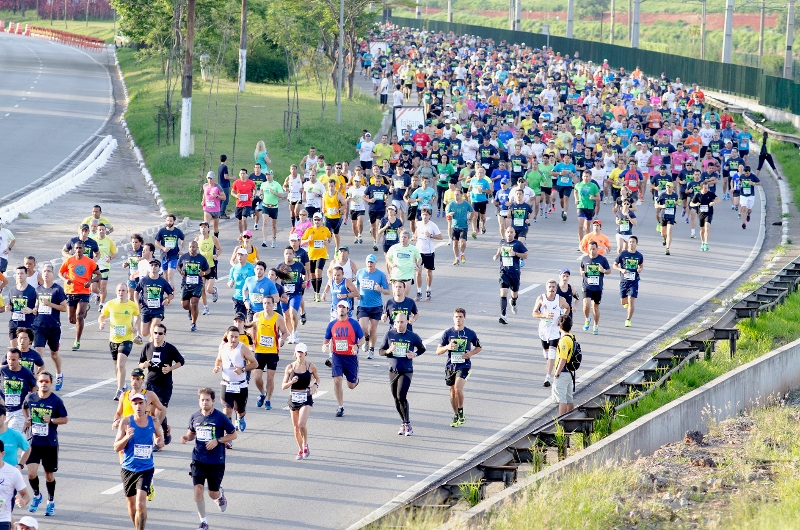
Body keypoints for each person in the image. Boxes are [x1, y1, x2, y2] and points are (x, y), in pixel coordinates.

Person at [181, 388, 237, 530]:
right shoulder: (195, 416)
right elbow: (192, 433)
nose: (204, 402)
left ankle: (219, 496)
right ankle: (204, 522)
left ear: (213, 401)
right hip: (198, 459)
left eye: (207, 400)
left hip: (216, 460)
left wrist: (217, 440)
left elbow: (233, 435)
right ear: (199, 401)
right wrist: (187, 437)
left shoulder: (220, 417)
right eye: (202, 400)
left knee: (212, 493)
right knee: (198, 489)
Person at [114, 392, 164, 530]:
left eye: (141, 403)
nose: (138, 406)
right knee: (131, 506)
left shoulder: (153, 421)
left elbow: (160, 439)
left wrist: (160, 441)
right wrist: (126, 437)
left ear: (147, 404)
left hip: (146, 468)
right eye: (135, 403)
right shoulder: (126, 422)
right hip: (128, 468)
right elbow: (116, 447)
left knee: (140, 504)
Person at [23, 371, 68, 517]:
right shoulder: (31, 397)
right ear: (37, 382)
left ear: (51, 383)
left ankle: (50, 501)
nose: (43, 384)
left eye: (46, 381)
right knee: (31, 474)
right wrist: (27, 419)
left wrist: (52, 420)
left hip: (49, 443)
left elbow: (65, 419)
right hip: (33, 442)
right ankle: (37, 496)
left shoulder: (56, 401)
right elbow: (24, 407)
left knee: (49, 475)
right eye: (41, 381)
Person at [379, 313, 425, 436]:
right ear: (395, 323)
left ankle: (407, 424)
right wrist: (388, 351)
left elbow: (422, 348)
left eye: (402, 322)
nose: (400, 325)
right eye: (398, 322)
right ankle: (403, 422)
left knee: (401, 396)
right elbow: (381, 351)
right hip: (393, 371)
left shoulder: (412, 336)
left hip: (407, 370)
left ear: (406, 323)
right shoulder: (389, 334)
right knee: (395, 398)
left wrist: (414, 354)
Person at [138, 323, 184, 445]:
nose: (157, 336)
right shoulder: (147, 347)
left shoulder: (169, 348)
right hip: (151, 384)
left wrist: (170, 368)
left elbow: (181, 361)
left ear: (164, 335)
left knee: (160, 411)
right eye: (155, 333)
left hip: (165, 385)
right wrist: (144, 365)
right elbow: (140, 363)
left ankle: (156, 438)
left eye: (160, 333)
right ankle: (165, 430)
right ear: (152, 333)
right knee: (152, 413)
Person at [436, 307, 481, 428]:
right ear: (453, 318)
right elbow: (438, 350)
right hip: (450, 366)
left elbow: (479, 347)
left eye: (460, 317)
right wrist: (447, 347)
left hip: (464, 365)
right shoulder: (448, 333)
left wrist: (470, 354)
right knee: (452, 392)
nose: (458, 319)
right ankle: (456, 414)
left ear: (464, 318)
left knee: (457, 389)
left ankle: (461, 411)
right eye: (456, 317)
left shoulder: (470, 333)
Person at [323, 301, 364, 417]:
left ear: (348, 310)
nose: (341, 309)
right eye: (339, 307)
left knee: (351, 386)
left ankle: (355, 381)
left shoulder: (354, 324)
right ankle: (340, 407)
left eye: (343, 307)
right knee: (337, 380)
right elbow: (326, 339)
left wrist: (357, 345)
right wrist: (324, 345)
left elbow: (362, 339)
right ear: (336, 309)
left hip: (351, 357)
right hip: (337, 356)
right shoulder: (332, 324)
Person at [100, 284, 140, 401]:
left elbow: (137, 317)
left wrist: (136, 326)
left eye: (123, 290)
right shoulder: (110, 304)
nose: (121, 292)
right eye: (119, 290)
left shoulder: (131, 305)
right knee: (116, 367)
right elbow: (102, 316)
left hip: (127, 339)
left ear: (127, 292)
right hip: (113, 339)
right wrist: (101, 322)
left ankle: (119, 390)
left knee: (120, 364)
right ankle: (122, 385)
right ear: (116, 291)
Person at [58, 240, 100, 351]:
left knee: (79, 316)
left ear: (84, 249)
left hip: (84, 291)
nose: (78, 250)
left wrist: (91, 281)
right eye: (76, 248)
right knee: (72, 320)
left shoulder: (90, 262)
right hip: (71, 291)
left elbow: (99, 275)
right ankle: (85, 309)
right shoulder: (69, 261)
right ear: (73, 249)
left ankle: (77, 341)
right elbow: (60, 273)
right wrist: (65, 280)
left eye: (80, 248)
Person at [281, 343, 320, 460]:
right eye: (298, 352)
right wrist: (291, 382)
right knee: (295, 427)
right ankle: (299, 449)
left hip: (306, 397)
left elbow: (317, 378)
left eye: (302, 352)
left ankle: (305, 445)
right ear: (295, 353)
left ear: (305, 353)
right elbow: (283, 386)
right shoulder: (289, 367)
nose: (300, 354)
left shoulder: (311, 366)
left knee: (301, 424)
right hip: (293, 397)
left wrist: (315, 386)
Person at [214, 327, 257, 433]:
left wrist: (242, 369)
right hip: (226, 384)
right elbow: (219, 360)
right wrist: (217, 367)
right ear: (227, 336)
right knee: (227, 410)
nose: (233, 339)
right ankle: (229, 435)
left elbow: (255, 363)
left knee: (240, 411)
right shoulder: (223, 347)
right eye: (231, 337)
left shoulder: (243, 349)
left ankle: (240, 418)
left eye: (236, 337)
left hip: (240, 385)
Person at [532, 280, 570, 387]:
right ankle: (549, 363)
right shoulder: (541, 298)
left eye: (553, 287)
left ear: (556, 289)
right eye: (549, 287)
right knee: (547, 354)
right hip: (544, 329)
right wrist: (544, 315)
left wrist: (563, 318)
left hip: (554, 329)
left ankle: (548, 377)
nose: (551, 289)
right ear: (546, 288)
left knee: (552, 353)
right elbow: (534, 313)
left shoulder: (560, 299)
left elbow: (567, 308)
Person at [253, 297, 288, 411]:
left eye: (269, 303)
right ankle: (263, 393)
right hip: (259, 351)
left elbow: (284, 332)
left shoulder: (278, 318)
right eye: (264, 303)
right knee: (257, 378)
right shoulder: (257, 316)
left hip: (272, 352)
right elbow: (253, 329)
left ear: (273, 305)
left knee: (270, 378)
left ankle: (268, 399)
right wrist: (252, 342)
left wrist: (282, 340)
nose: (266, 305)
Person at [355, 254, 390, 359]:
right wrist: (357, 294)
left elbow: (388, 291)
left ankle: (371, 349)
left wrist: (381, 290)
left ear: (375, 263)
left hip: (376, 306)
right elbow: (356, 284)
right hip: (363, 305)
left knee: (373, 329)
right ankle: (366, 339)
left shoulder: (380, 275)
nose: (370, 264)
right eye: (368, 262)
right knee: (363, 328)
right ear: (366, 262)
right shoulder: (360, 272)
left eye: (372, 262)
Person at [493, 226, 528, 324]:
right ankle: (503, 315)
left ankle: (513, 302)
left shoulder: (518, 244)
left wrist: (516, 254)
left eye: (511, 232)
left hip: (515, 272)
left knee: (514, 294)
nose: (509, 234)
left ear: (514, 234)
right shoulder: (502, 242)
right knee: (503, 293)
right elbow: (500, 249)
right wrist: (496, 255)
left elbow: (526, 255)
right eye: (508, 232)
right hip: (504, 272)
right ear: (505, 233)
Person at [135, 259, 174, 340]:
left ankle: (152, 345)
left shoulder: (162, 281)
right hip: (146, 309)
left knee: (154, 328)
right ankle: (151, 337)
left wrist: (167, 299)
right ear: (149, 267)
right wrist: (137, 304)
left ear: (159, 268)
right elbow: (136, 292)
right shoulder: (144, 280)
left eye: (156, 265)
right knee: (144, 333)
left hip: (158, 309)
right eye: (152, 265)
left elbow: (171, 294)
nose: (153, 267)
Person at [1, 348, 37, 432]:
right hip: (3, 410)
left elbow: (34, 386)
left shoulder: (26, 372)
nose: (10, 362)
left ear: (19, 359)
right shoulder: (2, 371)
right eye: (9, 359)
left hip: (18, 411)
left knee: (12, 434)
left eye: (13, 359)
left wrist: (31, 399)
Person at [178, 241, 211, 332]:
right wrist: (181, 271)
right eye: (190, 247)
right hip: (186, 284)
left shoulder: (201, 258)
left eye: (193, 247)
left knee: (195, 303)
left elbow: (208, 270)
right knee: (184, 305)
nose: (192, 248)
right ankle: (190, 310)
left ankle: (193, 323)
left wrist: (203, 273)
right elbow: (178, 266)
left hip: (197, 284)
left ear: (197, 248)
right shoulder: (184, 257)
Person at [580, 241, 611, 335]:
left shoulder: (602, 260)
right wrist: (581, 272)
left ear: (597, 249)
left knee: (596, 307)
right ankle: (587, 319)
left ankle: (595, 325)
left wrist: (603, 271)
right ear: (587, 249)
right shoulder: (584, 258)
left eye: (594, 249)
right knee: (586, 304)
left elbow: (609, 271)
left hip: (597, 287)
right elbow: (581, 267)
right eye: (590, 249)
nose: (592, 251)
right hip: (587, 286)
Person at [614, 236, 645, 327]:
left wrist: (640, 269)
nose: (631, 243)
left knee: (631, 300)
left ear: (636, 244)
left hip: (634, 281)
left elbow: (641, 266)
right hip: (624, 281)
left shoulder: (639, 255)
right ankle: (625, 302)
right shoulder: (623, 254)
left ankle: (628, 320)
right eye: (630, 242)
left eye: (633, 242)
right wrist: (621, 270)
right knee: (623, 302)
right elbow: (614, 265)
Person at [412, 207, 442, 301]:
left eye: (426, 215)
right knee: (418, 272)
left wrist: (431, 235)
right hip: (418, 252)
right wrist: (414, 236)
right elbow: (416, 232)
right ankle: (419, 292)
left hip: (429, 252)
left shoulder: (432, 225)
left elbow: (441, 237)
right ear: (421, 215)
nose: (425, 216)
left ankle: (428, 290)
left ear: (430, 216)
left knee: (428, 272)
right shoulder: (419, 223)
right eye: (423, 214)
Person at [0, 436, 31, 528]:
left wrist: (23, 502)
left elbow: (25, 494)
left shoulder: (13, 472)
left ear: (2, 453)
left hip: (2, 520)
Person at [278, 247, 306, 344]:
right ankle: (291, 335)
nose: (288, 255)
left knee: (292, 314)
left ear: (293, 255)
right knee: (286, 317)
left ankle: (294, 332)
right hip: (284, 295)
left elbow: (304, 274)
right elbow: (275, 278)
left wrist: (304, 282)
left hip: (296, 294)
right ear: (284, 254)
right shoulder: (280, 266)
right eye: (286, 253)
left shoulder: (299, 265)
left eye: (290, 253)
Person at [301, 213, 332, 302]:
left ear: (321, 220)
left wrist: (327, 241)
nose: (317, 221)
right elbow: (302, 242)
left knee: (318, 272)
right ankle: (315, 292)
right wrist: (308, 240)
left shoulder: (325, 229)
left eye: (318, 220)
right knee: (312, 275)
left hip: (322, 254)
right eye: (315, 220)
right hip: (311, 256)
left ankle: (318, 293)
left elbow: (329, 238)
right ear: (313, 220)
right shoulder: (309, 230)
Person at [195, 223, 222, 316]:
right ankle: (206, 308)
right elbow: (193, 250)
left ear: (208, 229)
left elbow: (219, 249)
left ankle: (214, 290)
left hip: (211, 266)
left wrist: (216, 255)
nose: (203, 229)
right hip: (202, 267)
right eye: (201, 227)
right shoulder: (197, 239)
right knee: (202, 289)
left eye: (205, 227)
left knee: (208, 289)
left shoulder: (213, 238)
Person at [7, 266, 36, 349]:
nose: (20, 275)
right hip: (14, 324)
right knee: (14, 351)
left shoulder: (32, 290)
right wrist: (8, 308)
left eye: (22, 273)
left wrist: (31, 310)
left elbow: (37, 310)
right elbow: (10, 305)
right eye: (18, 274)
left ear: (26, 275)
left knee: (26, 352)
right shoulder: (12, 290)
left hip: (27, 324)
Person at [385, 231, 421, 298]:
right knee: (396, 296)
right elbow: (388, 258)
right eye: (401, 237)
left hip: (407, 275)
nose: (403, 239)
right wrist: (391, 264)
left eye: (405, 237)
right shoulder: (394, 248)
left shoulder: (413, 249)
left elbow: (419, 258)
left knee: (404, 296)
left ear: (408, 238)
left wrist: (417, 265)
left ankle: (404, 308)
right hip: (396, 275)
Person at [552, 315, 577, 415]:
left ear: (559, 326)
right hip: (570, 372)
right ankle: (571, 419)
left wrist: (557, 374)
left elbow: (563, 359)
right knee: (569, 398)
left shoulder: (563, 340)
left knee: (561, 400)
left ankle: (561, 423)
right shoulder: (572, 337)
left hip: (563, 372)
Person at [154, 214, 185, 289]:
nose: (169, 222)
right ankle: (168, 289)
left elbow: (183, 239)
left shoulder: (177, 231)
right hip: (164, 256)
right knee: (165, 276)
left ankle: (170, 293)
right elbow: (156, 242)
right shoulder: (162, 231)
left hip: (174, 256)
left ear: (174, 221)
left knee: (170, 275)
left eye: (171, 221)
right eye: (168, 220)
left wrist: (182, 249)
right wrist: (163, 247)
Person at [445, 189, 474, 265]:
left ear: (461, 195)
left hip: (463, 226)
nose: (456, 196)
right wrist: (449, 214)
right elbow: (447, 214)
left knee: (463, 243)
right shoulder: (451, 204)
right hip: (454, 227)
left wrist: (469, 219)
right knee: (455, 244)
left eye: (457, 194)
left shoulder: (466, 204)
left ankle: (462, 253)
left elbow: (472, 211)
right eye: (455, 194)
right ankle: (456, 258)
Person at [92, 224, 117, 312]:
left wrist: (110, 258)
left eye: (103, 230)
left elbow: (114, 253)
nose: (101, 231)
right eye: (100, 230)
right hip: (94, 266)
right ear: (97, 230)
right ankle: (98, 294)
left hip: (105, 266)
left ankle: (102, 304)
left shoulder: (109, 241)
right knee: (94, 288)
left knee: (103, 286)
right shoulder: (93, 240)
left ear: (105, 230)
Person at [690, 180, 720, 252]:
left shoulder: (710, 194)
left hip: (709, 213)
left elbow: (718, 199)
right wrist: (695, 204)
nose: (706, 189)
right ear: (701, 188)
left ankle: (706, 243)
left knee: (707, 227)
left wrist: (714, 202)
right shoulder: (697, 195)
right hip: (700, 214)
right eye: (705, 188)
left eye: (707, 188)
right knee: (702, 230)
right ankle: (702, 242)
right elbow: (691, 203)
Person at [259, 170, 285, 248]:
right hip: (265, 206)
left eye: (269, 175)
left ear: (272, 175)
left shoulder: (276, 185)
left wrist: (274, 193)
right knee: (265, 222)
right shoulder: (263, 184)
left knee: (273, 224)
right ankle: (264, 240)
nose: (268, 176)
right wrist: (261, 195)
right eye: (267, 175)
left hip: (274, 206)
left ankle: (274, 239)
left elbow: (282, 195)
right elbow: (261, 190)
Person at [0, 404, 31, 469]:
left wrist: (21, 465)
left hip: (10, 474)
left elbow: (28, 449)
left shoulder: (15, 435)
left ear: (5, 417)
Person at [574, 170, 601, 244]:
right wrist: (576, 198)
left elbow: (599, 198)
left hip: (590, 207)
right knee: (580, 226)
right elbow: (575, 191)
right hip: (580, 207)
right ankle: (581, 243)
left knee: (587, 227)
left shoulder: (593, 186)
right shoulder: (578, 185)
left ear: (590, 177)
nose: (585, 178)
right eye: (584, 176)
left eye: (587, 176)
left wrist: (593, 198)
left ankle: (588, 242)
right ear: (582, 176)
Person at [655, 182, 678, 254]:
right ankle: (665, 239)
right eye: (667, 187)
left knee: (669, 232)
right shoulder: (662, 195)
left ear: (672, 188)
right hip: (663, 216)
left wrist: (677, 205)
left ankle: (667, 248)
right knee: (663, 233)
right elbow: (656, 204)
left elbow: (677, 203)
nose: (668, 188)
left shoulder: (675, 195)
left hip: (671, 216)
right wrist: (662, 206)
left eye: (670, 187)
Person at [232, 168, 257, 234]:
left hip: (248, 203)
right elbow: (232, 192)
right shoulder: (236, 182)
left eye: (244, 173)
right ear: (239, 175)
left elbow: (255, 189)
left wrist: (253, 196)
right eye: (241, 174)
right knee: (239, 221)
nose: (242, 175)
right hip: (239, 204)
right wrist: (236, 195)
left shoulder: (250, 182)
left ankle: (245, 233)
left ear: (246, 175)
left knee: (244, 218)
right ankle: (241, 234)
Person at [202, 172, 226, 236]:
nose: (209, 180)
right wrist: (203, 200)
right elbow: (204, 194)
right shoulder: (205, 186)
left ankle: (215, 241)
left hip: (216, 210)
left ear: (214, 179)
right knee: (206, 225)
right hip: (207, 209)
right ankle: (207, 240)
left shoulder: (218, 187)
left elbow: (224, 197)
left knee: (215, 228)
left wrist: (217, 196)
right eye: (208, 178)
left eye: (211, 178)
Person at [737, 166, 761, 230]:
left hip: (751, 195)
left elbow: (759, 183)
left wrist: (753, 183)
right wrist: (739, 186)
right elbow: (740, 181)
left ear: (750, 172)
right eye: (745, 173)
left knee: (749, 210)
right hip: (743, 195)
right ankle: (743, 223)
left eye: (747, 173)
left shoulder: (753, 176)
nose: (746, 174)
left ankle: (748, 215)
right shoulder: (742, 176)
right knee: (743, 208)